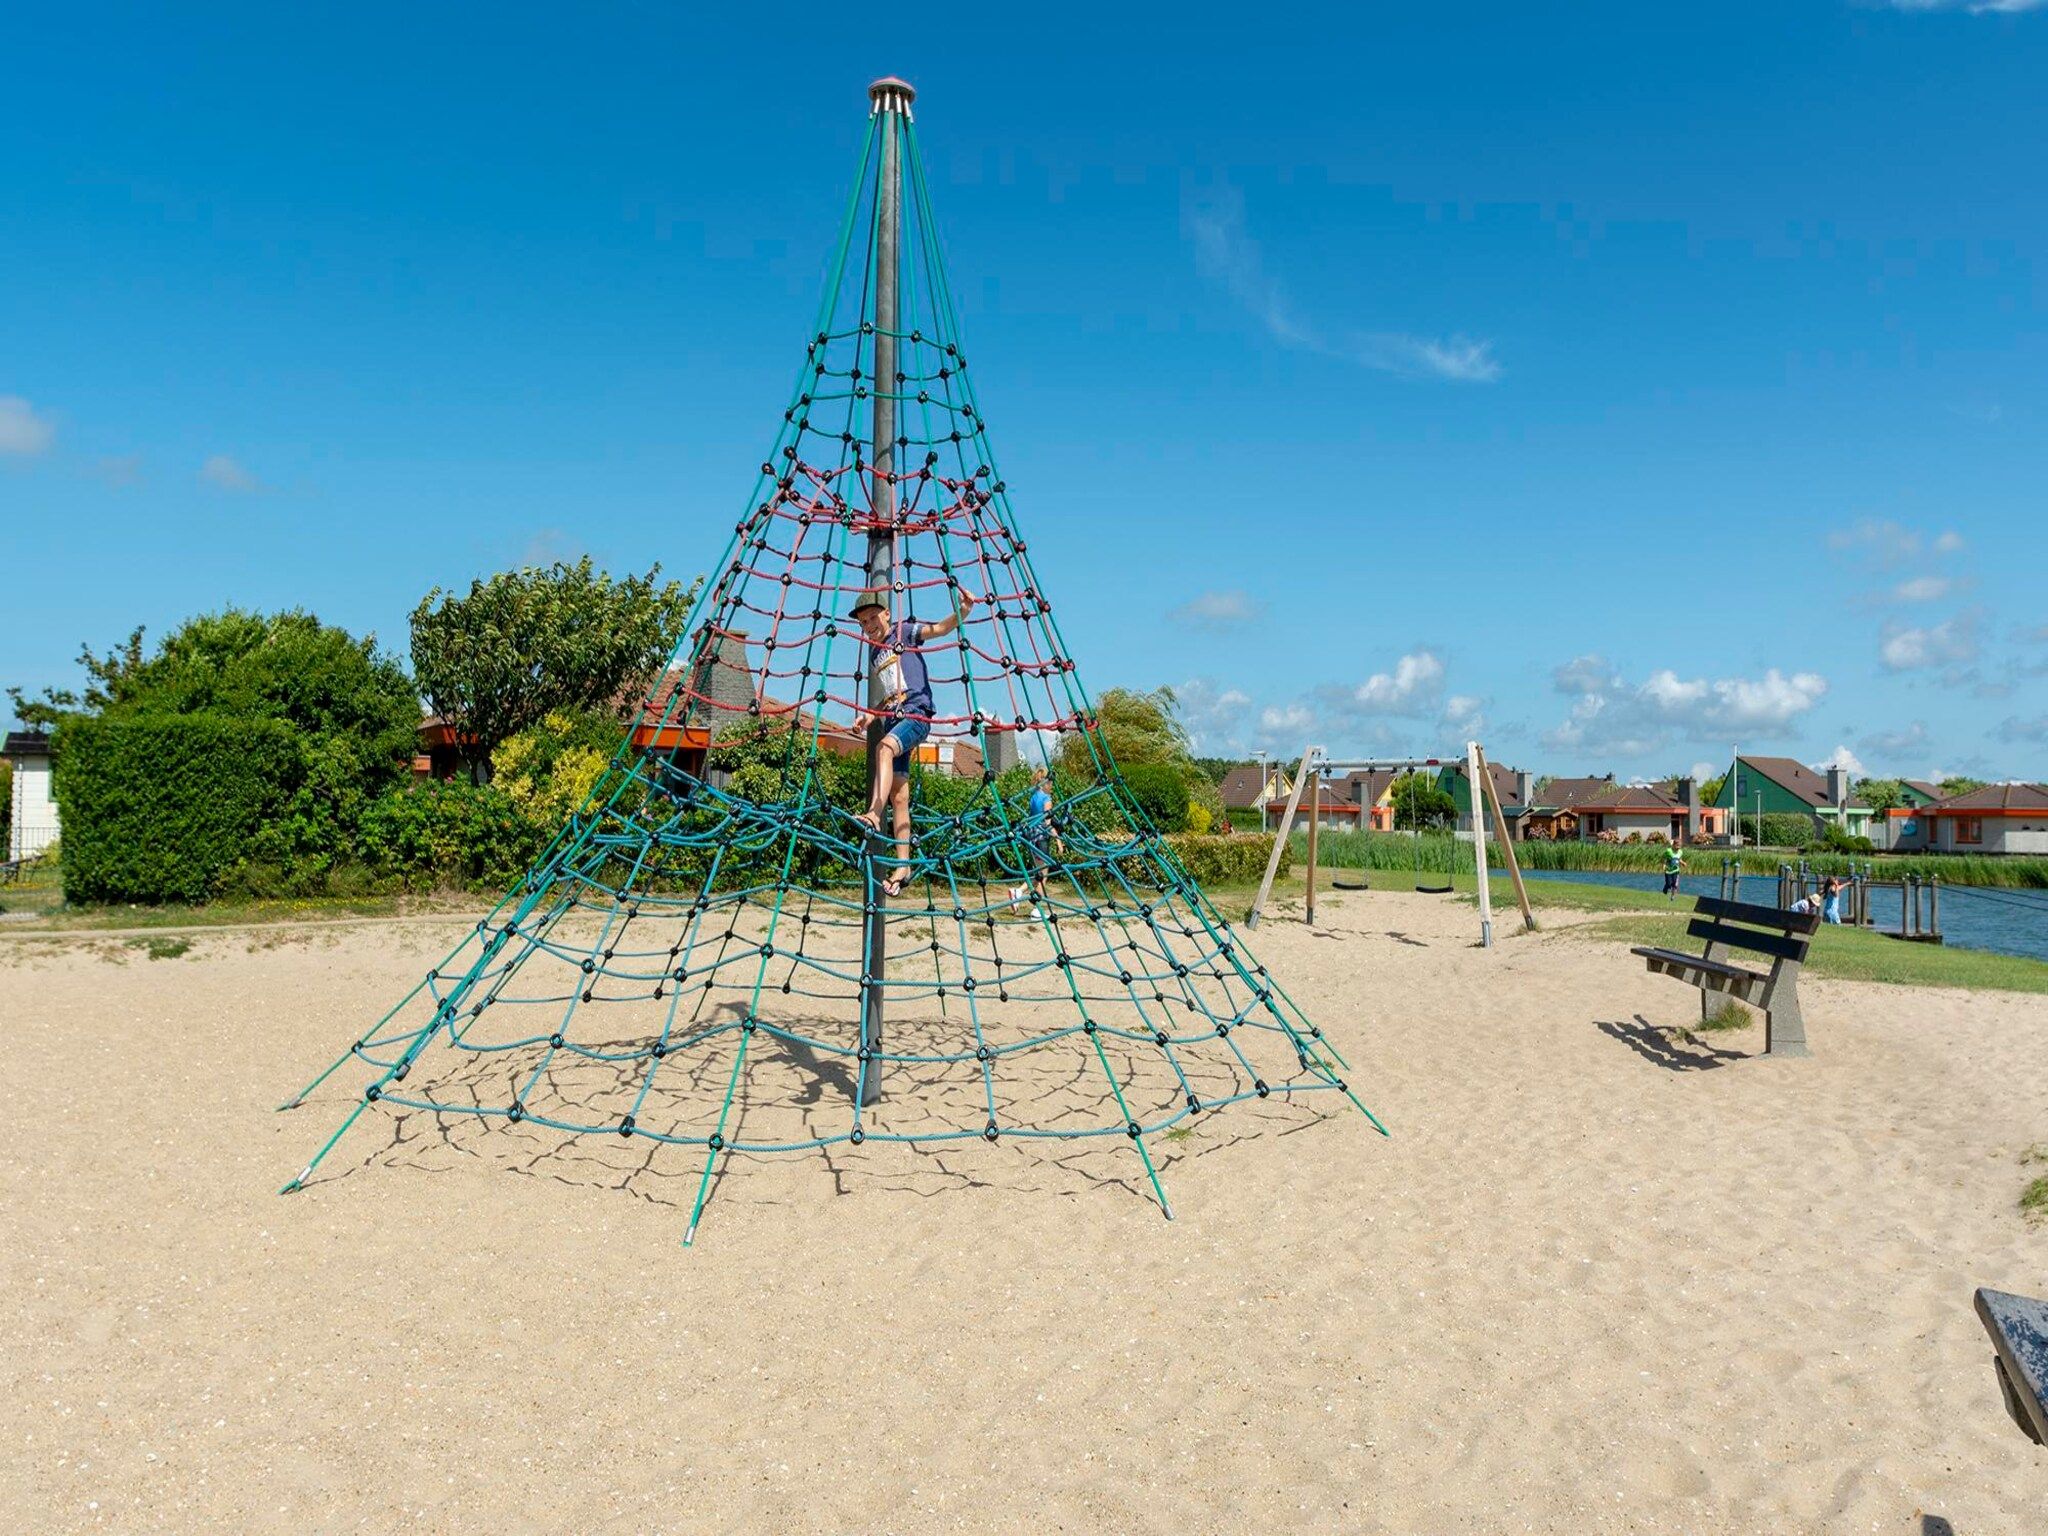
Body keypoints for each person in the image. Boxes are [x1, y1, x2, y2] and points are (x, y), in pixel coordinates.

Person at [851, 584, 978, 896]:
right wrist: (870, 715)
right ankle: (904, 866)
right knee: (900, 796)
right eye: (862, 623)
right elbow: (885, 694)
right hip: (896, 719)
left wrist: (963, 611)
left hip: (916, 715)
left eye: (872, 619)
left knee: (883, 748)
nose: (868, 627)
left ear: (887, 614)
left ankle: (873, 814)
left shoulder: (904, 632)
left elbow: (939, 629)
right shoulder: (873, 652)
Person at [1008, 766, 1061, 920]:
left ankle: (1018, 892)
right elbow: (1047, 823)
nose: (1051, 786)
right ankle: (1037, 910)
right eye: (1050, 783)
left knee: (1039, 873)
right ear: (1044, 783)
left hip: (1031, 837)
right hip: (1041, 838)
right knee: (1044, 874)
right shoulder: (1046, 799)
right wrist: (1058, 840)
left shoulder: (1034, 796)